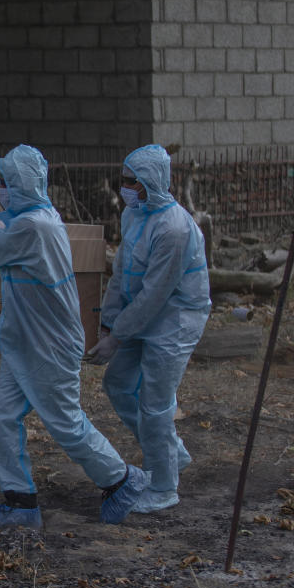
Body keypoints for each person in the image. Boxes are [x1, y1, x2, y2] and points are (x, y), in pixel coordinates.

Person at [0, 145, 149, 529]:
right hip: (27, 342)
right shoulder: (37, 216)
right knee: (2, 418)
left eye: (5, 183)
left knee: (65, 422)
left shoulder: (30, 226)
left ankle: (121, 479)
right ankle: (20, 502)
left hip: (48, 346)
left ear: (20, 186)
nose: (0, 189)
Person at [86, 144, 210, 513]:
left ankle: (163, 485)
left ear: (149, 182)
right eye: (124, 180)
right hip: (142, 316)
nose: (123, 187)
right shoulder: (134, 215)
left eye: (130, 181)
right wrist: (107, 324)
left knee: (155, 405)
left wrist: (118, 336)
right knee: (119, 384)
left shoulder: (174, 229)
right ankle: (170, 452)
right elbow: (123, 270)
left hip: (175, 320)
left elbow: (157, 294)